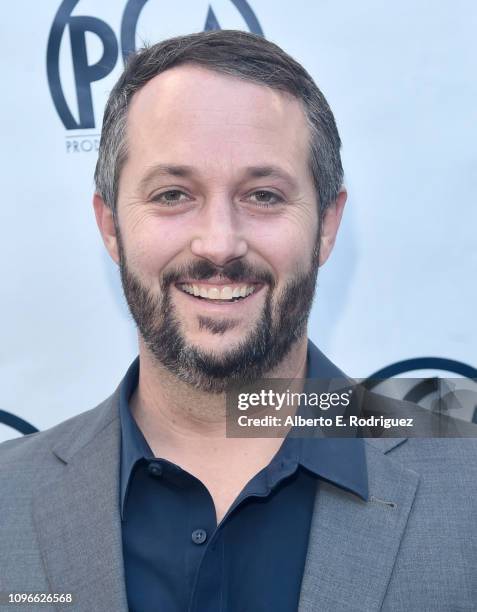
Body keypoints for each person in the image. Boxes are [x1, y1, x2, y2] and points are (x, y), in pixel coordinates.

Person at [0, 30, 476, 612]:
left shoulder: (466, 488)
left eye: (264, 196)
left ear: (326, 225)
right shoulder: (7, 501)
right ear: (109, 226)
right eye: (173, 194)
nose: (220, 244)